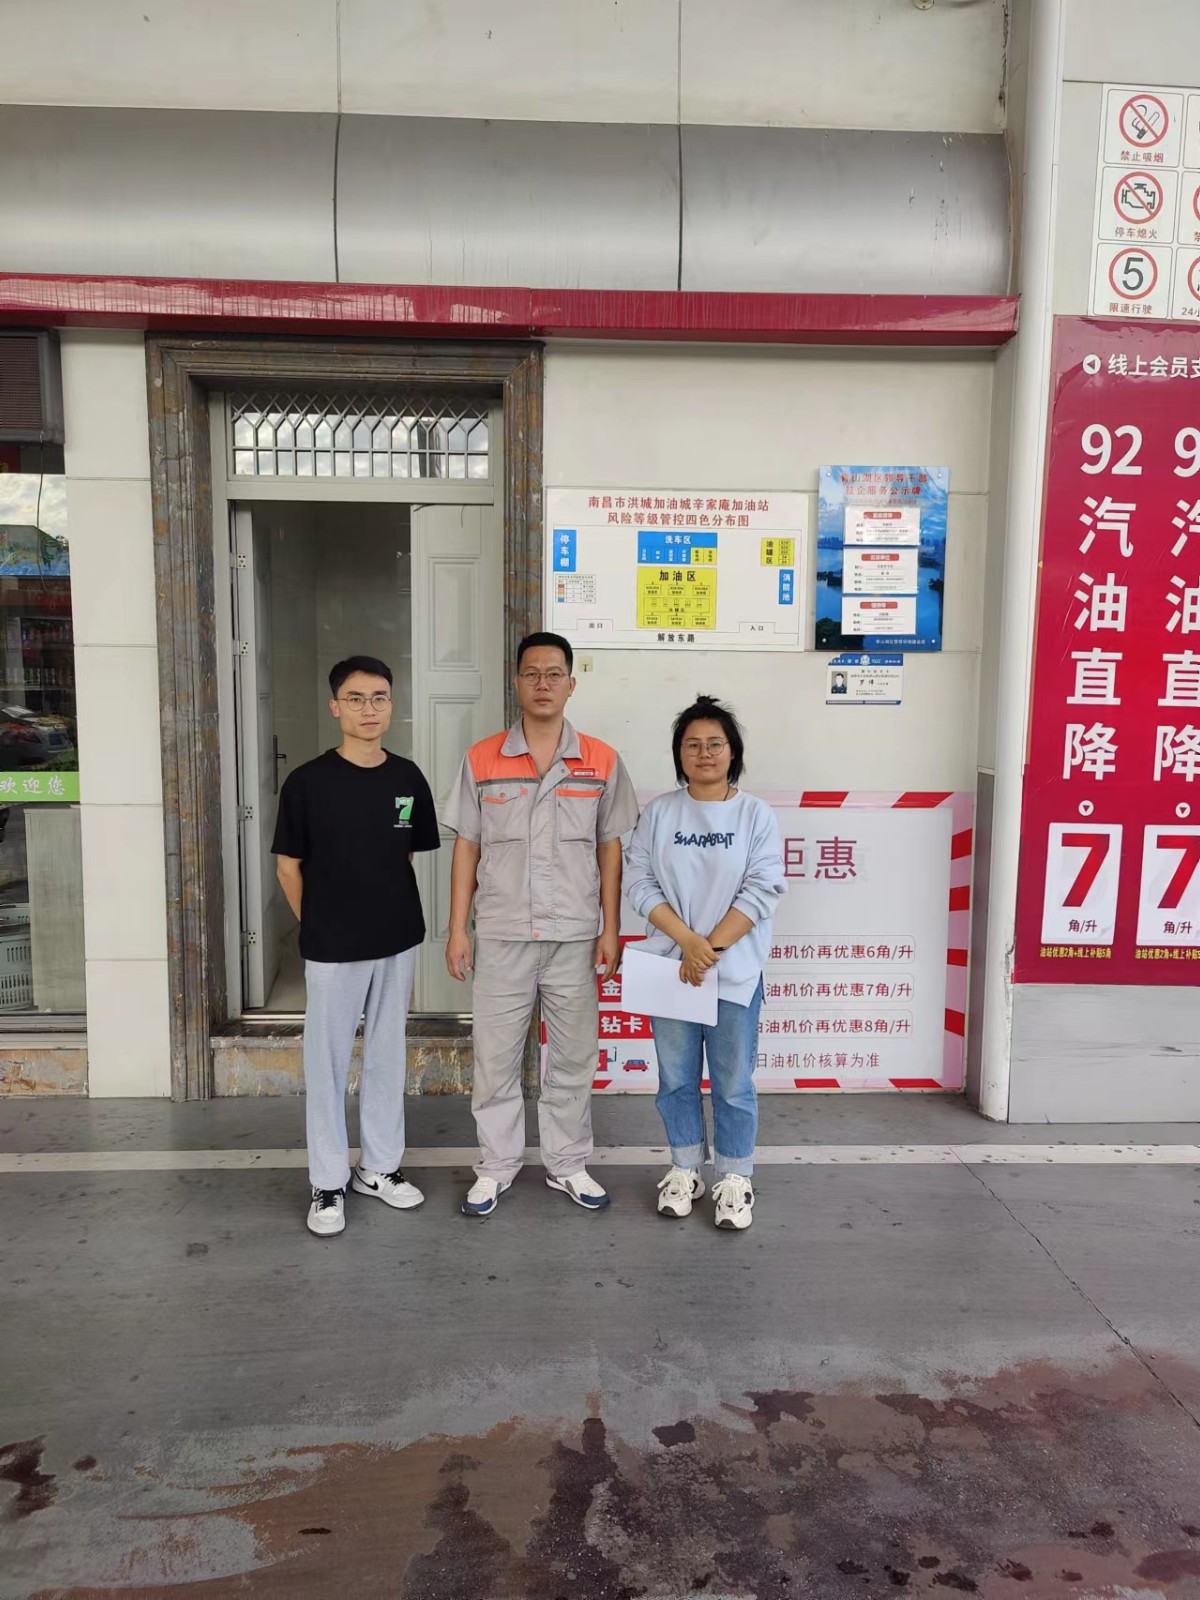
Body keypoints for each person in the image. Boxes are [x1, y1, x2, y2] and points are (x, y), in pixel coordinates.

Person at [443, 631, 639, 1217]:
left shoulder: (601, 760)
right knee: (495, 1058)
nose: (543, 683)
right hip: (502, 933)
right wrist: (458, 929)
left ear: (571, 683)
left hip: (574, 935)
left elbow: (610, 847)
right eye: (532, 673)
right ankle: (496, 1166)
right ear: (517, 682)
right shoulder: (482, 758)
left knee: (574, 1057)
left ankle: (567, 1163)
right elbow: (467, 846)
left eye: (554, 673)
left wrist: (610, 928)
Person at [273, 655, 440, 1238]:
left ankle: (380, 1168)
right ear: (335, 707)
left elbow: (405, 856)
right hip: (332, 946)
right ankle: (327, 1181)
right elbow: (288, 867)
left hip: (396, 939)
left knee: (387, 1055)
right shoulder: (308, 782)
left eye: (379, 698)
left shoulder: (408, 778)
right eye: (356, 698)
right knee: (327, 1063)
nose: (369, 709)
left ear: (391, 705)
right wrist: (320, 923)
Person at [623, 695, 785, 1231]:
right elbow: (638, 880)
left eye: (715, 743)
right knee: (675, 1079)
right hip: (672, 970)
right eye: (692, 745)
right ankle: (685, 1168)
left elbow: (763, 889)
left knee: (733, 1081)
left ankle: (735, 1176)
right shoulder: (660, 813)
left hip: (732, 971)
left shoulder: (755, 815)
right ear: (679, 754)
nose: (704, 753)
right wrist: (687, 943)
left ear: (733, 752)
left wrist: (708, 949)